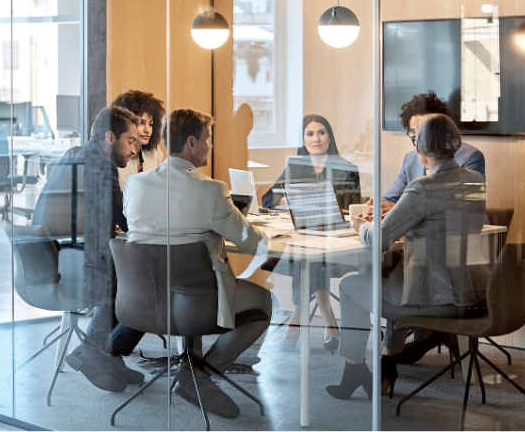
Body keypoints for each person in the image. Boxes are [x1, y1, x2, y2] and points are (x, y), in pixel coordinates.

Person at [124, 108, 273, 420]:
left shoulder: (134, 185)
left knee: (189, 280)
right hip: (195, 303)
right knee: (263, 301)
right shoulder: (211, 190)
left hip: (142, 300)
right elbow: (253, 242)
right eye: (208, 139)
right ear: (191, 143)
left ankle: (195, 372)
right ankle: (200, 375)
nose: (211, 146)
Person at [326, 114, 488, 401]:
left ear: (421, 150)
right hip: (471, 294)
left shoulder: (421, 188)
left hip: (433, 301)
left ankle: (354, 368)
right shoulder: (474, 180)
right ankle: (387, 365)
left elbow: (379, 238)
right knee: (392, 278)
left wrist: (359, 225)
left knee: (350, 287)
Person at [368, 91, 486, 363]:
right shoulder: (412, 162)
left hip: (444, 274)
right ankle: (393, 354)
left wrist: (379, 219)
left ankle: (385, 361)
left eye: (422, 131)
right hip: (443, 270)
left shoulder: (470, 160)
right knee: (395, 269)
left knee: (365, 281)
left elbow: (451, 207)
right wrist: (389, 207)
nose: (417, 140)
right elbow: (393, 198)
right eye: (413, 133)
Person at [62, 106, 149, 394]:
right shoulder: (101, 164)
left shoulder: (78, 155)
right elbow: (119, 211)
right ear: (111, 137)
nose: (134, 150)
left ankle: (105, 358)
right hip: (88, 262)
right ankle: (94, 351)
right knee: (148, 287)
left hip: (66, 257)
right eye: (130, 141)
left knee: (137, 278)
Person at [260, 114, 360, 350]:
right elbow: (267, 198)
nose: (316, 138)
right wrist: (285, 199)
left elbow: (349, 208)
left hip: (336, 244)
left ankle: (296, 319)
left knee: (309, 258)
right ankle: (329, 322)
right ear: (303, 139)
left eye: (321, 132)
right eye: (310, 133)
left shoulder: (346, 168)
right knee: (308, 256)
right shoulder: (296, 165)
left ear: (329, 137)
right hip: (304, 241)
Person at [112, 90, 167, 190]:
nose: (147, 130)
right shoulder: (112, 157)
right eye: (141, 123)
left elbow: (162, 190)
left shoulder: (156, 153)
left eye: (150, 124)